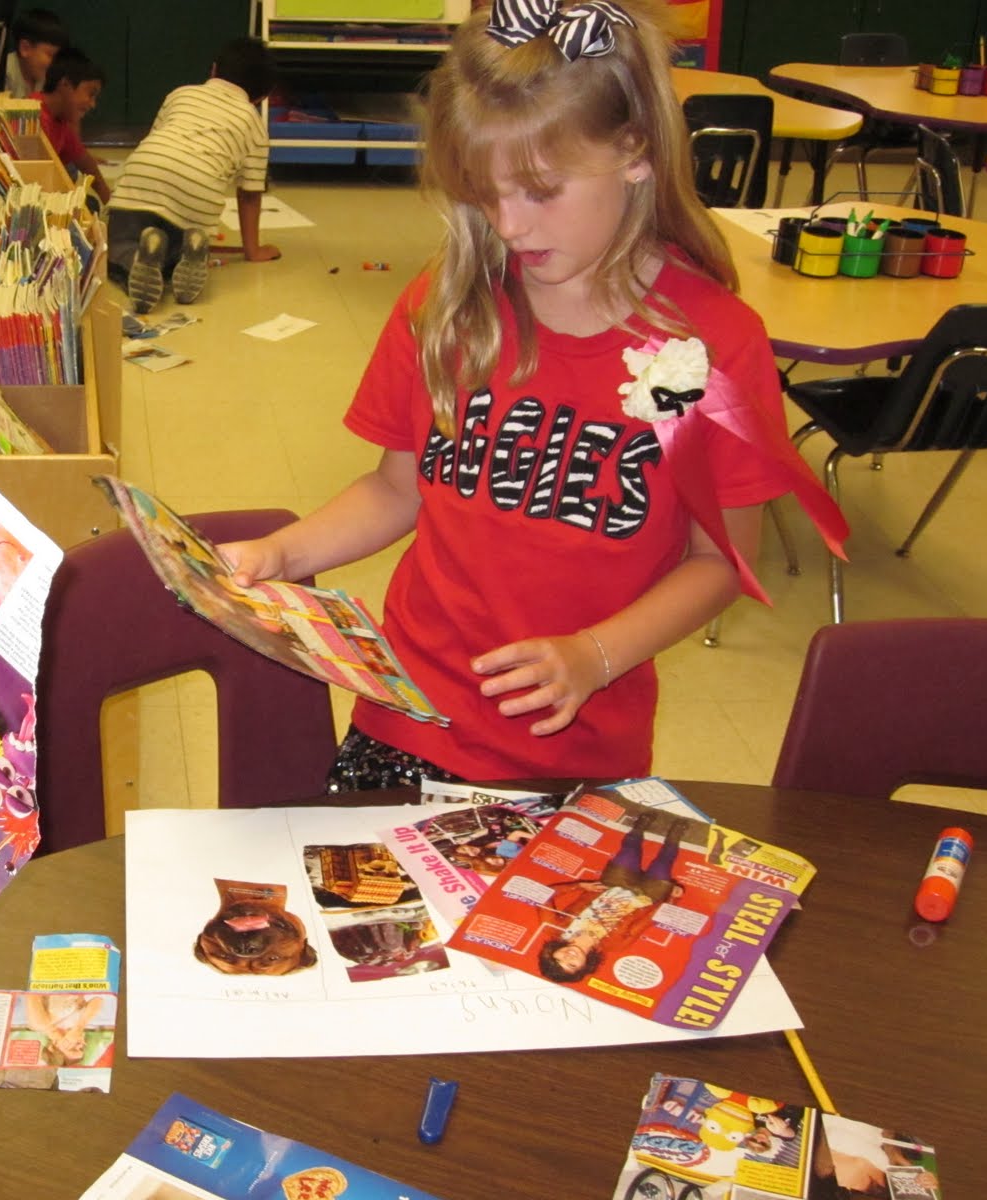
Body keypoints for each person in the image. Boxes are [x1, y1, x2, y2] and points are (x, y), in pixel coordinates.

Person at [220, 0, 846, 789]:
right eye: (484, 194)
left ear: (636, 151)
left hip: (575, 752)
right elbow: (394, 488)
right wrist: (283, 553)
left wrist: (595, 654)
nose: (508, 225)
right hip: (404, 723)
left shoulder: (714, 345)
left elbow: (719, 561)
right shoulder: (446, 305)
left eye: (540, 190)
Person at [106, 36, 282, 315]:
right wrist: (253, 251)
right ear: (261, 97)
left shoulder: (180, 93)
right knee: (181, 229)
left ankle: (138, 258)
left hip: (144, 173)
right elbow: (250, 194)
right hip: (197, 193)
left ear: (213, 70)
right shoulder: (254, 123)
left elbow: (154, 138)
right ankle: (181, 255)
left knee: (115, 241)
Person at [534, 810, 689, 982]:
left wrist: (577, 886)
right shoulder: (615, 945)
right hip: (647, 896)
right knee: (663, 864)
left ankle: (639, 827)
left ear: (550, 953)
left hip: (613, 884)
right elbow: (646, 922)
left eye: (558, 959)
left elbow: (543, 895)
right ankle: (675, 836)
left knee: (629, 851)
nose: (568, 957)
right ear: (584, 966)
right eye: (572, 965)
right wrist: (673, 899)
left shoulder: (554, 928)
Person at [32, 47, 112, 206]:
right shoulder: (34, 117)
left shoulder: (60, 121)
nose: (92, 104)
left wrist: (111, 202)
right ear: (65, 84)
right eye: (91, 94)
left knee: (90, 204)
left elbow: (85, 162)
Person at [3, 7, 68, 99]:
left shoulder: (42, 76)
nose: (54, 62)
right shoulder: (4, 75)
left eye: (57, 56)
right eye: (50, 54)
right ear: (25, 48)